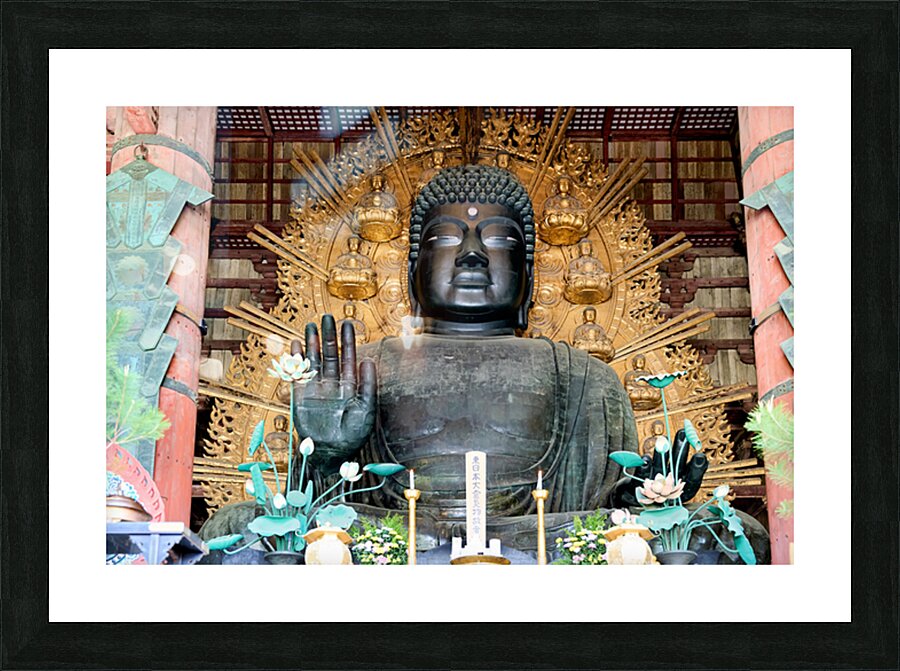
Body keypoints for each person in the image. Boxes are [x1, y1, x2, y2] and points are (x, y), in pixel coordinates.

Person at [289, 165, 641, 552]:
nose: (472, 254)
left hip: (539, 543)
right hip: (395, 545)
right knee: (248, 519)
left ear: (528, 274)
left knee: (667, 527)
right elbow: (310, 514)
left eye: (499, 239)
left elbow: (614, 511)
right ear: (413, 271)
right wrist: (324, 458)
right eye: (444, 238)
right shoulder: (358, 372)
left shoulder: (586, 378)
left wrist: (643, 497)